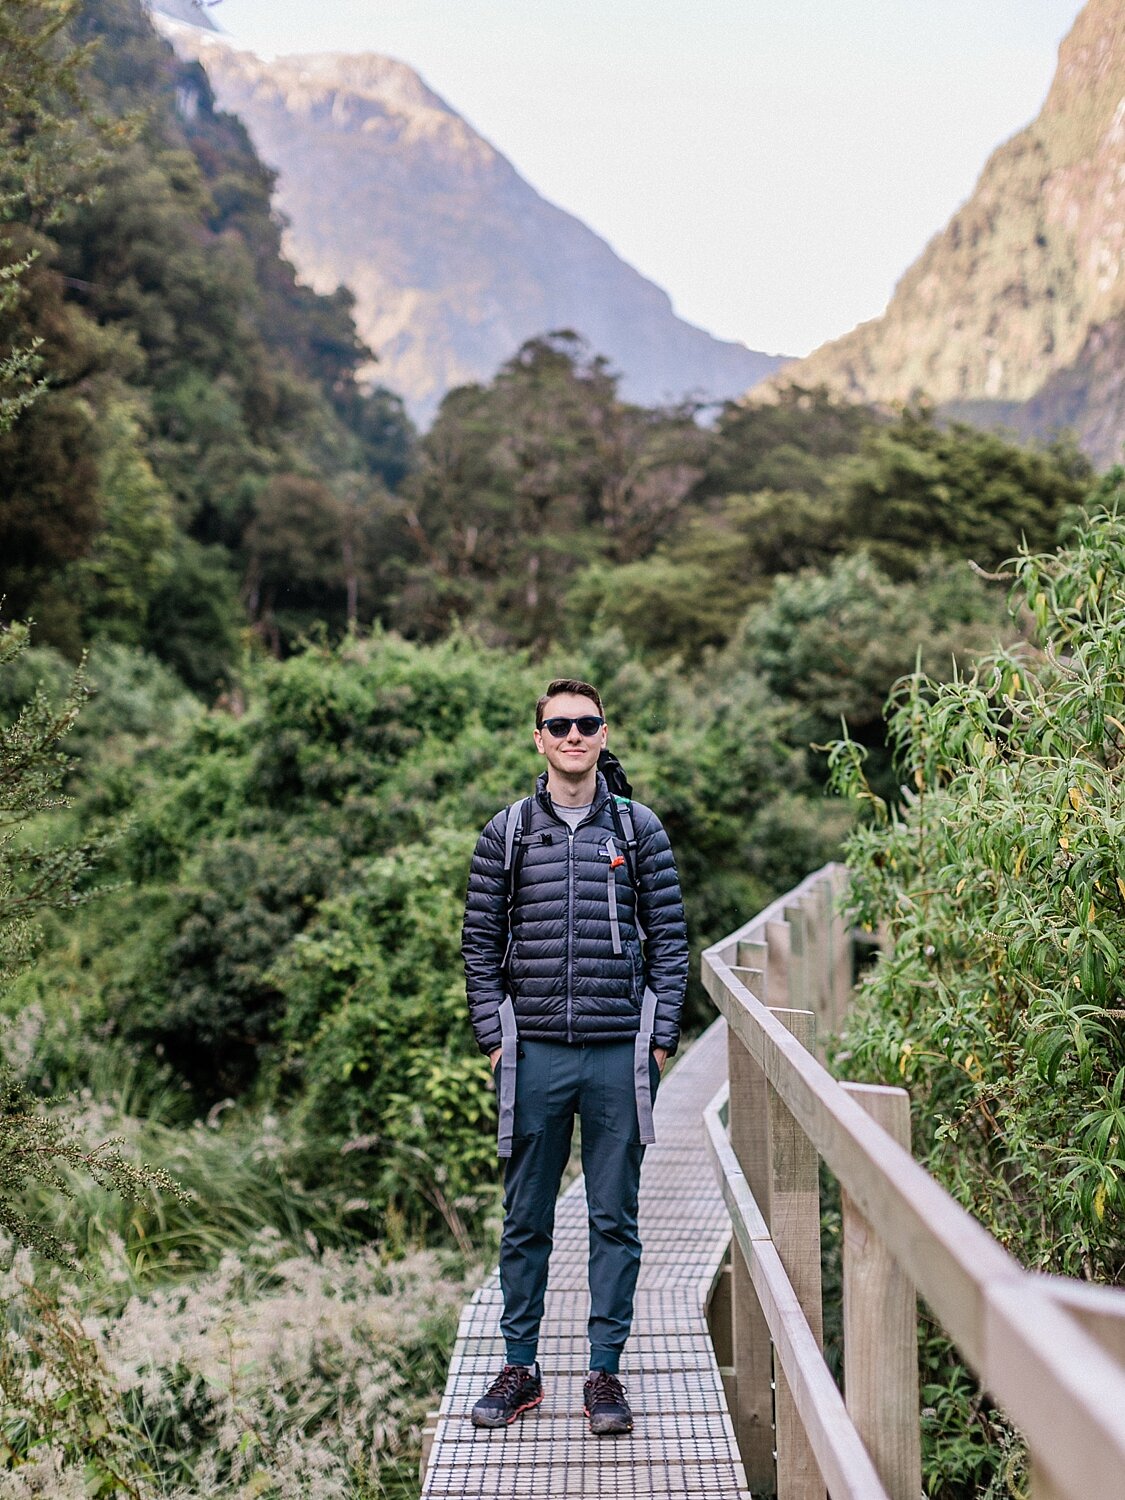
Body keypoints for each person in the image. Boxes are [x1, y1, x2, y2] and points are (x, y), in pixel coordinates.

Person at [461, 677, 688, 1436]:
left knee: (612, 1219)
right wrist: (493, 1040)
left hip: (617, 1055)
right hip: (534, 1055)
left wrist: (660, 1042)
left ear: (601, 732)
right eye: (557, 725)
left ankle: (604, 1375)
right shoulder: (508, 832)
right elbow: (478, 947)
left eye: (585, 723)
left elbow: (670, 940)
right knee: (524, 1217)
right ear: (538, 738)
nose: (571, 735)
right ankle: (519, 1368)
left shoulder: (636, 828)